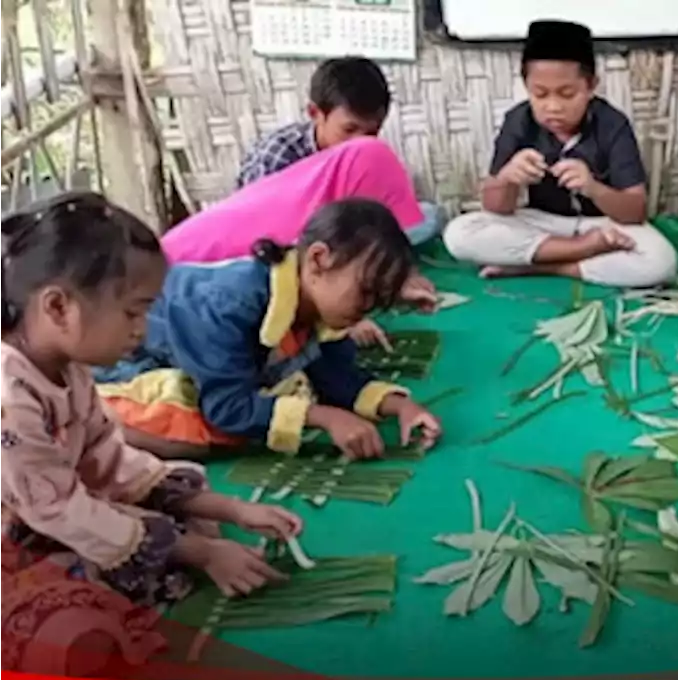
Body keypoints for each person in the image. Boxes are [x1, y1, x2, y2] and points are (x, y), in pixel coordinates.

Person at [0, 192, 304, 623]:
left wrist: (230, 509)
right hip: (26, 524)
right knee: (72, 619)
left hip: (58, 502)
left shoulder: (67, 367)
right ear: (57, 307)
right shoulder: (8, 395)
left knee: (176, 510)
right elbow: (58, 510)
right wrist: (202, 552)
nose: (141, 332)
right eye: (132, 313)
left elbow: (108, 460)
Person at [95, 198, 443, 461]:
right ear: (319, 259)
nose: (367, 308)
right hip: (125, 361)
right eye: (365, 292)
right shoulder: (228, 305)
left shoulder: (312, 303)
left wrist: (400, 406)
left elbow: (337, 377)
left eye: (378, 300)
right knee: (198, 431)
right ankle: (105, 426)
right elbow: (227, 408)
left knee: (289, 387)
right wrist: (322, 417)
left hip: (198, 357)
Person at [442, 20, 678, 288]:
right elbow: (496, 208)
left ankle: (547, 267)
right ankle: (580, 251)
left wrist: (593, 188)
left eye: (567, 94)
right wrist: (508, 178)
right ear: (526, 86)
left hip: (602, 226)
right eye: (540, 94)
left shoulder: (613, 124)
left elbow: (635, 211)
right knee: (459, 233)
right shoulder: (518, 121)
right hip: (541, 225)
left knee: (662, 261)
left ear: (591, 86)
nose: (553, 107)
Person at [164, 137, 439, 349]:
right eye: (367, 290)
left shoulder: (319, 211)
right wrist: (347, 320)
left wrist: (389, 283)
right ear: (319, 260)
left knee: (429, 214)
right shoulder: (273, 258)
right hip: (168, 284)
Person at [235, 55, 444, 241]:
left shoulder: (366, 156)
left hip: (346, 237)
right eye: (349, 129)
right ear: (315, 114)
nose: (359, 142)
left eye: (371, 132)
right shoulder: (277, 155)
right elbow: (258, 230)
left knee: (429, 216)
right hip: (292, 245)